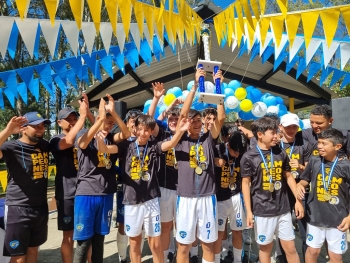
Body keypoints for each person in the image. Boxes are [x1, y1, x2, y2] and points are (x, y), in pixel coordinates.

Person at [96, 113, 190, 263]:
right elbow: (106, 149)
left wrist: (180, 131)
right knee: (134, 243)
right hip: (131, 201)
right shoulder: (126, 145)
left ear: (151, 130)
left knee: (155, 243)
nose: (143, 133)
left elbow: (171, 144)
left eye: (147, 130)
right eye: (140, 129)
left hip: (151, 200)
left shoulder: (154, 146)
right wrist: (99, 139)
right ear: (134, 128)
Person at [174, 70, 225, 263]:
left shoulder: (207, 139)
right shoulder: (180, 140)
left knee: (207, 244)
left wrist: (218, 87)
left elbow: (220, 119)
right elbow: (183, 114)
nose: (195, 123)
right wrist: (195, 85)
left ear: (203, 123)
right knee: (184, 245)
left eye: (199, 121)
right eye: (191, 121)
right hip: (186, 198)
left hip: (207, 198)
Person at [73, 95, 131, 263]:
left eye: (112, 123)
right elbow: (83, 144)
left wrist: (113, 114)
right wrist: (99, 118)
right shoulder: (85, 133)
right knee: (83, 243)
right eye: (107, 121)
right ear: (99, 119)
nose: (110, 125)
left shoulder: (111, 139)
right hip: (86, 194)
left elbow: (126, 134)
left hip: (106, 194)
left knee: (99, 239)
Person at [241, 117, 304, 263]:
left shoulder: (280, 153)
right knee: (265, 250)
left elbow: (288, 176)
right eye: (273, 133)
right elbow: (245, 184)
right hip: (262, 211)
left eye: (276, 132)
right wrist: (249, 212)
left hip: (283, 209)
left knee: (290, 248)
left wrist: (298, 201)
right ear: (260, 134)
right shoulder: (248, 157)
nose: (277, 136)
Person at [147, 81, 190, 263]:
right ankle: (164, 257)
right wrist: (156, 99)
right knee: (165, 227)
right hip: (164, 188)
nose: (173, 122)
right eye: (170, 120)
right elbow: (149, 120)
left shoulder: (187, 136)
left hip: (183, 190)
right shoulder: (162, 134)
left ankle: (184, 257)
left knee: (182, 228)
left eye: (176, 119)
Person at [0, 112, 51, 262]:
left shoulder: (45, 145)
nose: (41, 129)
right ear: (23, 128)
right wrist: (8, 131)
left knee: (33, 250)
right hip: (18, 207)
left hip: (40, 207)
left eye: (42, 126)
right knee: (18, 256)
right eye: (36, 126)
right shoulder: (11, 146)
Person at [49, 94, 94, 263]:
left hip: (86, 191)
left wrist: (87, 113)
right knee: (68, 235)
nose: (73, 121)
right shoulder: (55, 139)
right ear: (59, 123)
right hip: (67, 193)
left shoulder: (82, 137)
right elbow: (68, 141)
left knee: (86, 234)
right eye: (69, 119)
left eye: (75, 118)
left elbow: (99, 126)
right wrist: (83, 117)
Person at [296, 128, 350, 263]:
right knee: (313, 251)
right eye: (319, 143)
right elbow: (305, 179)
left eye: (324, 143)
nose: (319, 146)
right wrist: (299, 185)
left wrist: (349, 217)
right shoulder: (315, 161)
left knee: (335, 256)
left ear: (338, 146)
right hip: (315, 216)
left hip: (338, 219)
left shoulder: (346, 166)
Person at [275, 113, 312, 262]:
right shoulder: (275, 145)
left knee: (305, 232)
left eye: (294, 127)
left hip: (301, 191)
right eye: (287, 126)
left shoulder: (305, 144)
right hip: (281, 193)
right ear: (280, 127)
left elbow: (311, 171)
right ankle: (282, 258)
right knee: (283, 231)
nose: (291, 130)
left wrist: (301, 167)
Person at [214, 129, 247, 263]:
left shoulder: (242, 153)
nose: (237, 155)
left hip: (236, 195)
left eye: (239, 152)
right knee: (219, 233)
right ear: (227, 144)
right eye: (234, 152)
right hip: (220, 197)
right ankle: (217, 258)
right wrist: (215, 160)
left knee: (237, 230)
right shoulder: (217, 149)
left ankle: (238, 260)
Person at [116, 108, 143, 263]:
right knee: (122, 224)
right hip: (126, 190)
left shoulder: (147, 140)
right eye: (132, 121)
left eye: (138, 120)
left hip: (145, 192)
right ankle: (123, 257)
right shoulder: (122, 141)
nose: (135, 124)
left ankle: (136, 257)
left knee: (142, 226)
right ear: (126, 123)